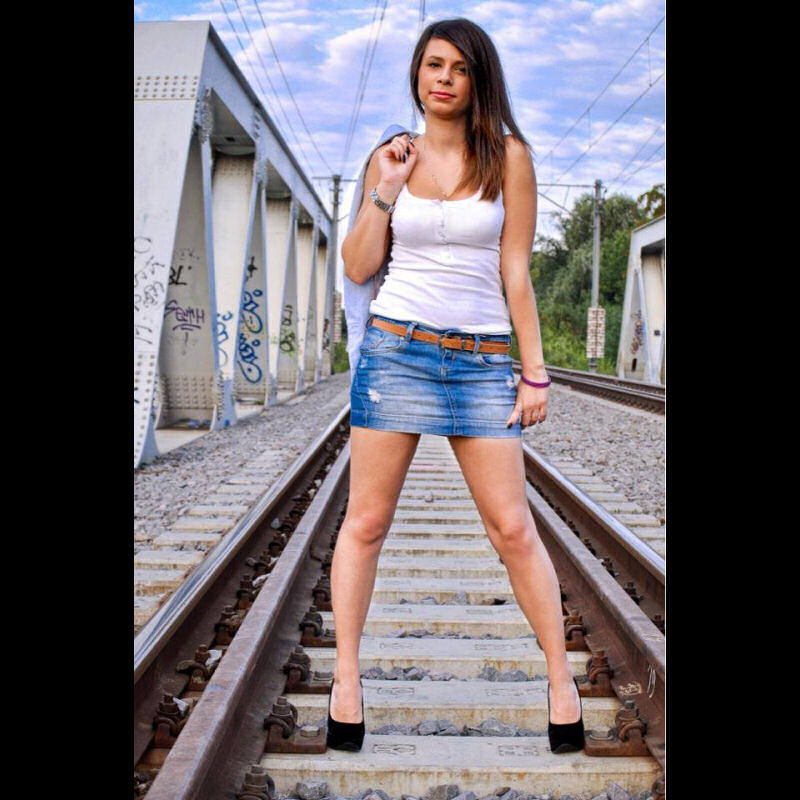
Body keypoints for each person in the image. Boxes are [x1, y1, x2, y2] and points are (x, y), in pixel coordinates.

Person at [328, 17, 584, 755]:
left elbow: (515, 271)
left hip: (480, 360)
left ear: (479, 80)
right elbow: (357, 265)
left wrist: (534, 371)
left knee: (513, 529)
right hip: (396, 352)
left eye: (459, 68)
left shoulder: (509, 156)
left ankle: (559, 682)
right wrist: (386, 188)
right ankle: (347, 681)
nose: (443, 78)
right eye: (433, 65)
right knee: (366, 523)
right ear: (417, 74)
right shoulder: (390, 155)